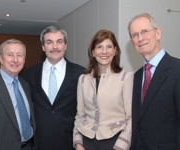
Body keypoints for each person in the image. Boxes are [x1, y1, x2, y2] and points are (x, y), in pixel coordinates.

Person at [24, 25, 85, 150]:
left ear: (65, 45)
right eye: (49, 42)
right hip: (39, 143)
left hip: (70, 143)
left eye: (59, 42)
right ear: (43, 46)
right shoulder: (29, 73)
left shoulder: (80, 73)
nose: (55, 47)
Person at [73, 29, 133, 150]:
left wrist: (121, 147)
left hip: (114, 142)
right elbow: (80, 116)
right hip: (87, 142)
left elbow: (130, 118)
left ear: (115, 51)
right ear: (93, 52)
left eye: (109, 47)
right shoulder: (83, 80)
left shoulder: (126, 78)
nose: (104, 51)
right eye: (99, 47)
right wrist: (78, 143)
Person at [128, 12, 180, 150]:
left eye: (145, 31)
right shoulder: (136, 77)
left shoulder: (177, 69)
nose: (140, 38)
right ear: (132, 42)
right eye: (135, 35)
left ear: (158, 33)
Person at [0, 39, 36, 150]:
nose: (15, 60)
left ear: (24, 60)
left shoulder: (26, 86)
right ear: (1, 58)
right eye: (10, 55)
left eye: (19, 55)